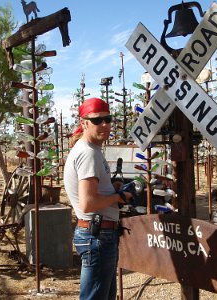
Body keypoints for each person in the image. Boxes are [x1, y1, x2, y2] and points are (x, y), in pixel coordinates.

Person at [64, 98, 132, 300]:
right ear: (84, 123)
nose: (104, 124)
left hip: (97, 233)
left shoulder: (91, 150)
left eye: (107, 119)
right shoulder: (88, 154)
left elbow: (93, 193)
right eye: (97, 121)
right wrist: (118, 197)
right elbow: (88, 203)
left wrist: (112, 189)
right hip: (98, 235)